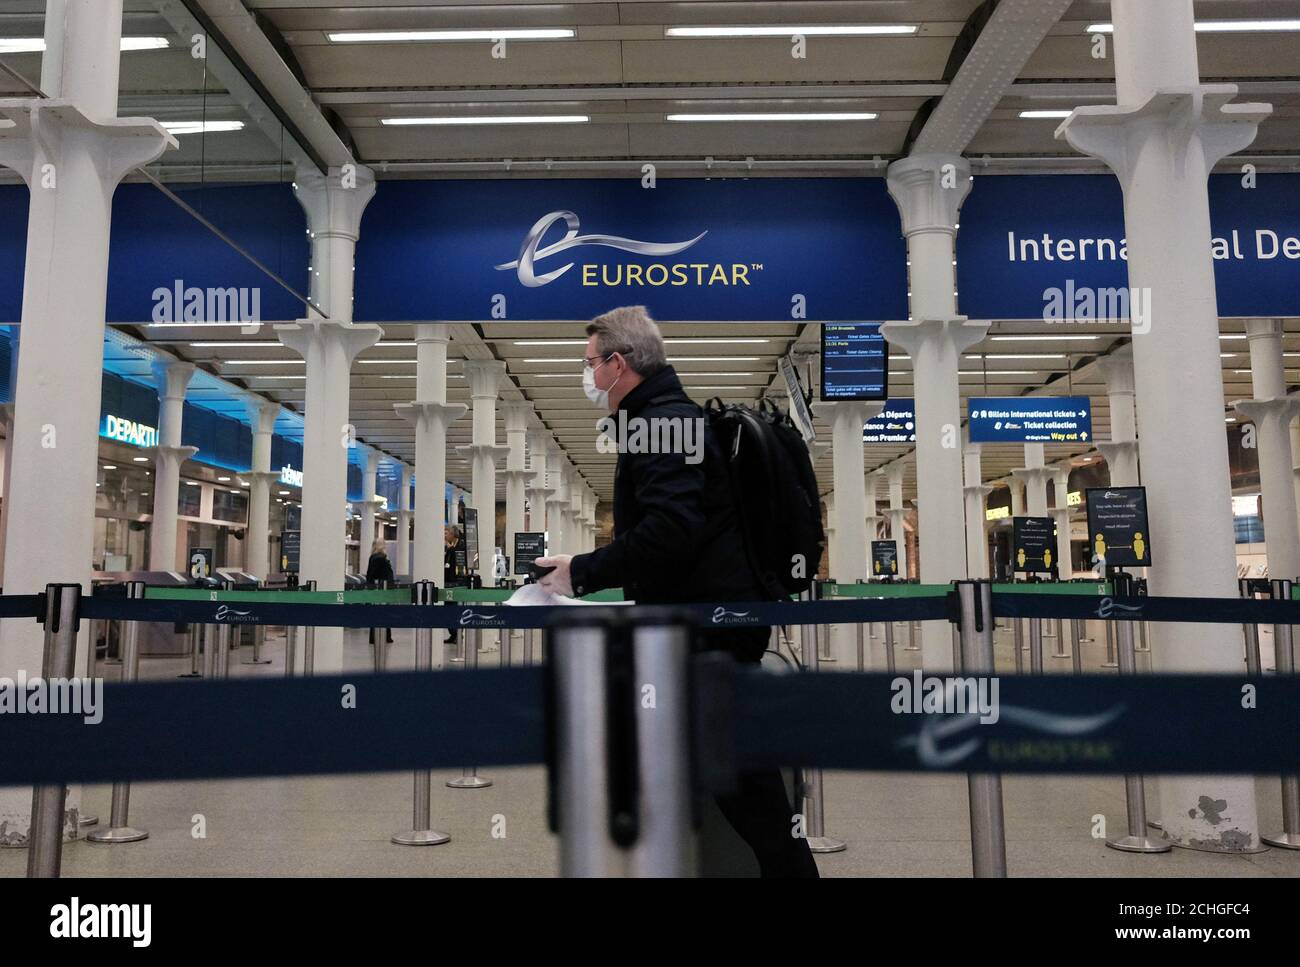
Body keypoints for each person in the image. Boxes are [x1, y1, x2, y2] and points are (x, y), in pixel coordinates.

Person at [536, 305, 819, 878]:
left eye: (591, 363)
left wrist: (582, 573)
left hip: (704, 633)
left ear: (619, 363)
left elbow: (670, 531)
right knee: (718, 782)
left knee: (746, 789)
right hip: (705, 625)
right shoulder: (664, 418)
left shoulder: (663, 423)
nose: (587, 375)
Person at [365, 538, 394, 645]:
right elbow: (386, 575)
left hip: (376, 588)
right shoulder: (381, 558)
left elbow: (370, 575)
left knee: (376, 612)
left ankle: (375, 636)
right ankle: (386, 636)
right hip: (382, 589)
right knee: (384, 612)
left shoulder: (373, 557)